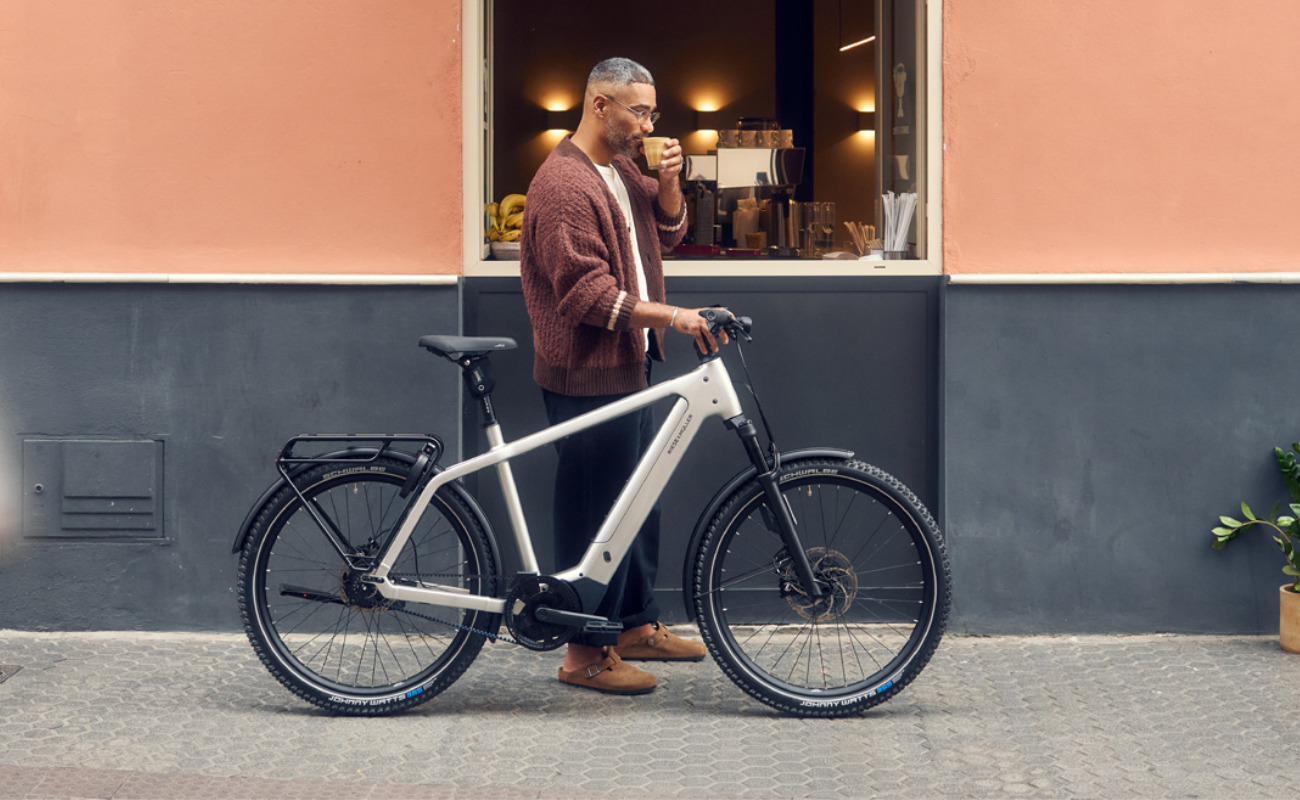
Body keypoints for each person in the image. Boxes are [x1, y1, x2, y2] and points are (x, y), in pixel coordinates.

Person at [519, 57, 728, 695]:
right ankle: (583, 653)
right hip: (585, 372)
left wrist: (667, 183)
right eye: (638, 111)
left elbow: (668, 231)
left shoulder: (618, 170)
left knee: (637, 500)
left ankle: (634, 625)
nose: (648, 124)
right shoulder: (563, 185)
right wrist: (675, 316)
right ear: (599, 105)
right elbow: (587, 296)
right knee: (596, 508)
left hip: (629, 362)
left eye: (653, 113)